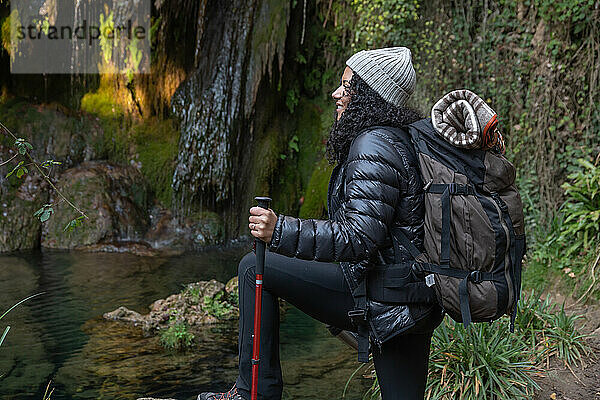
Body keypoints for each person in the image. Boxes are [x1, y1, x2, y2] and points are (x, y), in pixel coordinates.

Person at [199, 47, 443, 400]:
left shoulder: (374, 144)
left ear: (369, 95)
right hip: (414, 298)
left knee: (254, 267)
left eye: (347, 86)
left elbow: (356, 238)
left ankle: (254, 392)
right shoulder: (403, 138)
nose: (336, 94)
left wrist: (278, 229)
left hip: (384, 295)